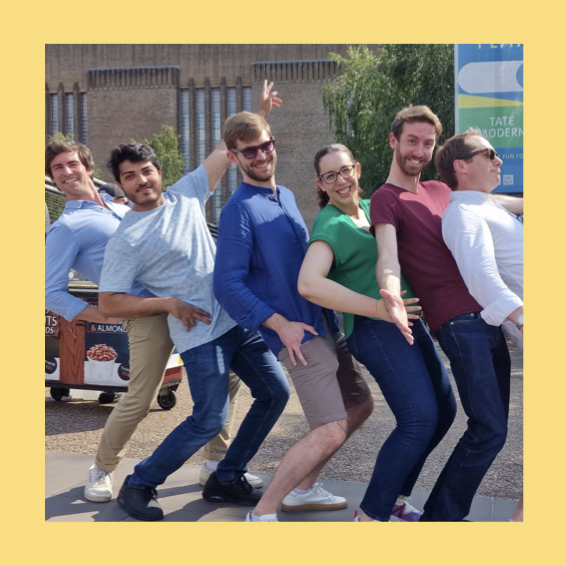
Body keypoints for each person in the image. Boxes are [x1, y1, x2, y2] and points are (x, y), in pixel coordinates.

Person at [44, 83, 277, 505]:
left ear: (88, 166)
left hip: (194, 308)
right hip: (145, 311)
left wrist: (257, 114)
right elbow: (50, 291)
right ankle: (103, 468)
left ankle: (216, 464)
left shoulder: (120, 203)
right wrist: (100, 315)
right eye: (57, 168)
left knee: (228, 380)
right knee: (141, 397)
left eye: (72, 163)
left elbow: (223, 152)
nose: (66, 172)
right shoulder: (67, 227)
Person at [98, 97, 290, 522]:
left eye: (146, 171)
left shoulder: (185, 193)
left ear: (159, 172)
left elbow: (228, 148)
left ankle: (227, 476)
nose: (141, 180)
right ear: (121, 185)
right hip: (201, 334)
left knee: (276, 393)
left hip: (239, 318)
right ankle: (139, 483)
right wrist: (167, 303)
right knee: (208, 418)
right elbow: (108, 303)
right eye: (130, 176)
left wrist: (259, 113)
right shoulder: (126, 238)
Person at [213, 113, 374, 523]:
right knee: (330, 427)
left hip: (326, 325)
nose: (261, 155)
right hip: (298, 336)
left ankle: (303, 491)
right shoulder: (238, 210)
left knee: (360, 405)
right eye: (250, 150)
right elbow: (226, 284)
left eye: (265, 145)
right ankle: (262, 513)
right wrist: (279, 325)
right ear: (234, 158)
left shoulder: (283, 194)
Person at [370, 105, 522, 521]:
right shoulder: (385, 198)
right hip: (459, 323)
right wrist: (390, 291)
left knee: (493, 431)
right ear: (394, 141)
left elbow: (494, 202)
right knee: (488, 429)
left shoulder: (441, 190)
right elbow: (388, 256)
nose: (419, 151)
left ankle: (441, 517)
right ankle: (440, 520)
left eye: (427, 143)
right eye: (411, 141)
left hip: (488, 318)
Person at [297, 144, 457, 522]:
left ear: (357, 169)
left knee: (444, 410)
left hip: (407, 322)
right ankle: (370, 516)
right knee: (418, 418)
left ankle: (395, 500)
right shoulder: (330, 224)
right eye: (330, 175)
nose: (340, 180)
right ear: (321, 183)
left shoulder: (373, 208)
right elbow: (308, 283)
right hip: (373, 329)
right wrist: (375, 308)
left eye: (345, 170)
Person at [435, 129, 523, 521]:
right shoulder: (463, 213)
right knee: (490, 430)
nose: (498, 160)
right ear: (461, 165)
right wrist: (524, 319)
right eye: (489, 153)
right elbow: (481, 275)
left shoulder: (486, 205)